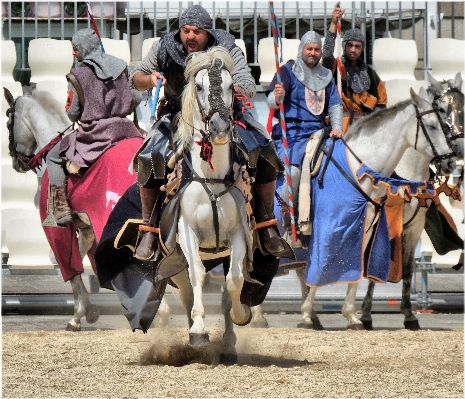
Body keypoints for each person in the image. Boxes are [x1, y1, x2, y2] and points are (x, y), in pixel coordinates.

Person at [130, 4, 288, 260]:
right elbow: (135, 76)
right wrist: (149, 80)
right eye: (186, 30)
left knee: (264, 150)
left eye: (197, 32)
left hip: (224, 114)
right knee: (149, 156)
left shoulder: (226, 46)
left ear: (208, 33)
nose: (190, 37)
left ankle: (266, 225)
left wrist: (232, 88)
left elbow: (247, 82)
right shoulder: (164, 46)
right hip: (175, 114)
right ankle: (149, 229)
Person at [43, 28, 143, 226]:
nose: (73, 53)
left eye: (75, 49)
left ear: (83, 48)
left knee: (53, 156)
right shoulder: (121, 66)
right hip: (125, 130)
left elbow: (72, 113)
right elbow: (137, 98)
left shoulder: (77, 75)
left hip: (94, 135)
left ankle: (61, 208)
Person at [267, 31, 343, 239]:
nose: (313, 52)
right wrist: (276, 97)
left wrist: (337, 126)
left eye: (317, 49)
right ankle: (287, 214)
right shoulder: (288, 71)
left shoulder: (326, 75)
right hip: (292, 134)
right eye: (309, 48)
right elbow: (270, 103)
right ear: (302, 49)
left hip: (319, 132)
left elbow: (335, 104)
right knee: (294, 172)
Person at [322, 2, 387, 132]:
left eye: (357, 46)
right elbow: (327, 53)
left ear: (362, 48)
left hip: (365, 127)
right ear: (344, 46)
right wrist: (334, 24)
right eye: (350, 45)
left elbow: (381, 104)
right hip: (340, 125)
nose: (353, 49)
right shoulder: (336, 66)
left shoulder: (370, 74)